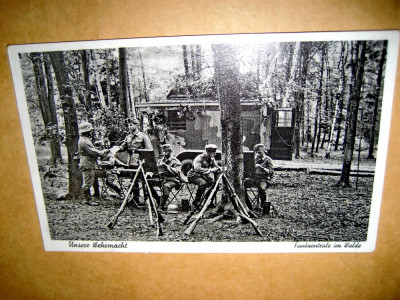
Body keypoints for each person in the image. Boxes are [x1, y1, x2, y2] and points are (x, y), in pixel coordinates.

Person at [116, 117, 155, 205]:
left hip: (140, 161)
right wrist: (117, 149)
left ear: (136, 125)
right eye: (128, 125)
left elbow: (149, 149)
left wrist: (141, 155)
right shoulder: (128, 136)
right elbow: (123, 146)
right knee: (133, 180)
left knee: (144, 180)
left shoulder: (143, 136)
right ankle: (135, 198)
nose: (129, 127)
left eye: (131, 125)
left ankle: (148, 198)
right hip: (131, 161)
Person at [78, 121, 107, 206]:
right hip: (87, 163)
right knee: (88, 182)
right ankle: (86, 199)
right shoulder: (84, 141)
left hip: (88, 162)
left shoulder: (85, 139)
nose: (91, 132)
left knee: (89, 180)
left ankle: (88, 198)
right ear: (86, 131)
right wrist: (102, 152)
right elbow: (92, 152)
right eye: (90, 130)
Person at [187, 144, 221, 209]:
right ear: (208, 152)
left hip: (203, 176)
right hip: (193, 175)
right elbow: (197, 169)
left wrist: (219, 168)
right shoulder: (199, 158)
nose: (215, 154)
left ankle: (208, 202)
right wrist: (210, 170)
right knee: (203, 183)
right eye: (213, 153)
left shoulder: (211, 158)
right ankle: (196, 203)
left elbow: (216, 166)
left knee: (215, 185)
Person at [245, 143, 274, 215]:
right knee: (242, 185)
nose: (258, 153)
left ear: (264, 150)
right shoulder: (254, 159)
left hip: (264, 179)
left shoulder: (267, 160)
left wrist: (261, 168)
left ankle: (264, 206)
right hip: (254, 179)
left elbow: (271, 172)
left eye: (260, 151)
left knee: (262, 188)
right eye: (257, 152)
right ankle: (248, 205)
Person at [156, 144, 181, 211]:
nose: (165, 153)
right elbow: (156, 170)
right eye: (164, 151)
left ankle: (161, 206)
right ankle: (158, 200)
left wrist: (167, 167)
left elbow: (177, 172)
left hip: (173, 180)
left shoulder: (175, 161)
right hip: (162, 179)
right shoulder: (160, 161)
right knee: (148, 184)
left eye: (167, 151)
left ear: (170, 152)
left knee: (165, 186)